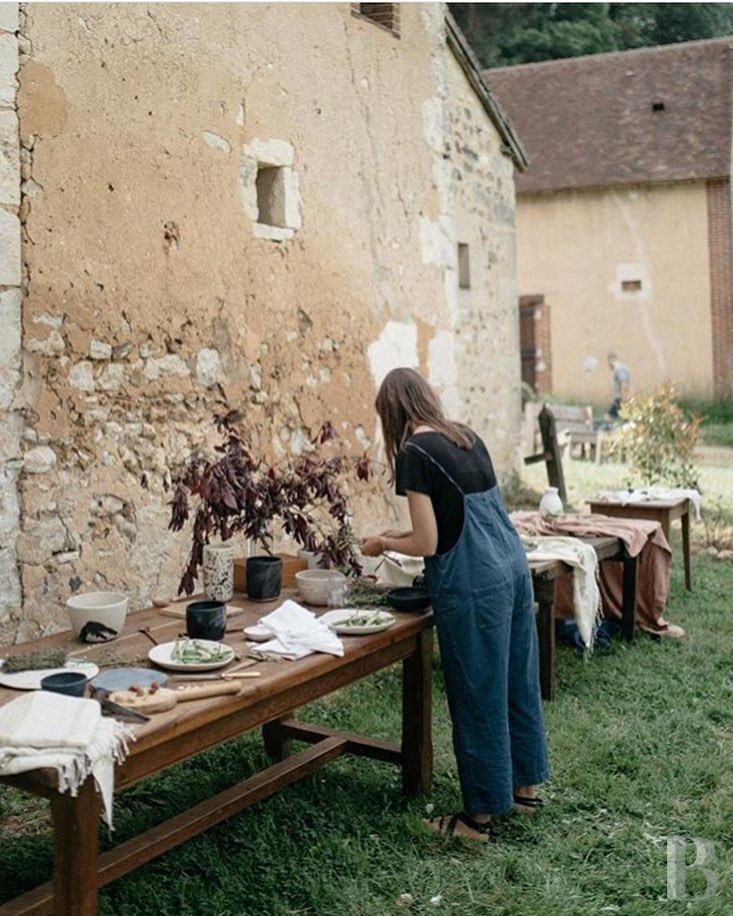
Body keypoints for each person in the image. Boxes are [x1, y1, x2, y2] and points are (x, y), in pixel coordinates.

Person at [362, 368, 549, 843]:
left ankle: (477, 820)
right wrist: (385, 540)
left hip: (474, 584)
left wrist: (387, 542)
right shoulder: (467, 436)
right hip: (511, 566)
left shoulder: (414, 452)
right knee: (515, 682)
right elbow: (448, 523)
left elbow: (428, 540)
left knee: (477, 692)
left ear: (391, 413)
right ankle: (524, 792)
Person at [604, 352, 631, 422]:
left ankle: (611, 432)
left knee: (607, 417)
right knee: (626, 418)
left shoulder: (618, 369)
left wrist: (624, 400)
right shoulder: (624, 368)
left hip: (620, 399)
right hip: (621, 399)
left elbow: (624, 383)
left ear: (610, 361)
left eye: (608, 363)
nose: (608, 366)